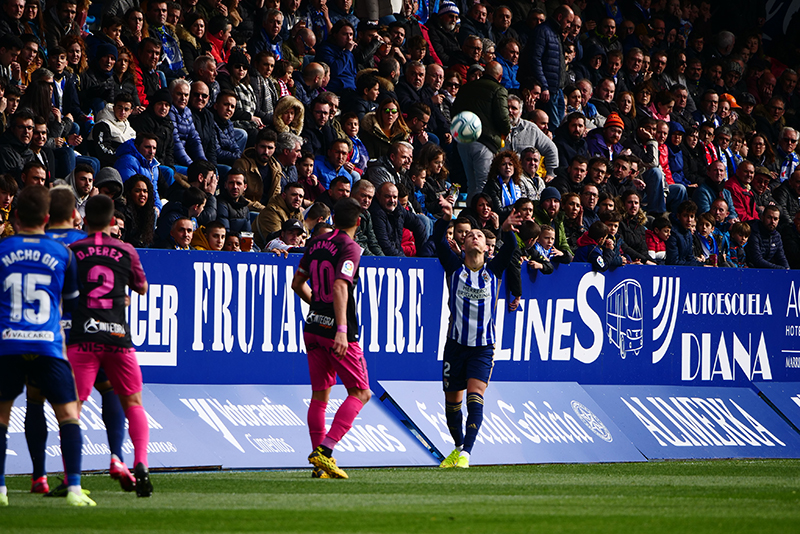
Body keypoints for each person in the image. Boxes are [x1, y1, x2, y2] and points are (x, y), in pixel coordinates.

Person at [0, 186, 95, 506]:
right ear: (46, 217)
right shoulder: (64, 254)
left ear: (15, 216)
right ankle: (74, 490)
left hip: (8, 344)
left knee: (2, 415)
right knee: (68, 415)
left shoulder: (2, 250)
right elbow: (70, 304)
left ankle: (0, 490)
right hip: (48, 345)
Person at [67, 195, 152, 497]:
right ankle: (140, 463)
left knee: (72, 409)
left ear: (84, 219)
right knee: (134, 403)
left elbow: (64, 290)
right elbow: (142, 286)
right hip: (118, 337)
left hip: (83, 337)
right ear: (114, 220)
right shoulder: (126, 250)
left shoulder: (73, 250)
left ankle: (71, 477)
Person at [434, 194, 521, 468]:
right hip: (455, 345)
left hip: (483, 348)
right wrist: (446, 217)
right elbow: (438, 241)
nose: (474, 237)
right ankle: (458, 446)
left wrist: (506, 231)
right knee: (452, 405)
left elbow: (509, 251)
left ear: (486, 247)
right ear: (463, 243)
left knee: (475, 395)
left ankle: (466, 453)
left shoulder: (493, 270)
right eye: (469, 234)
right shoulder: (453, 268)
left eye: (479, 236)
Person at [291, 197, 370, 479]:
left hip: (312, 326)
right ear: (358, 222)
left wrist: (317, 308)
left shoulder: (314, 243)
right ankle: (325, 451)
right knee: (361, 392)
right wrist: (340, 328)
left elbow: (296, 284)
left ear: (332, 219)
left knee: (320, 396)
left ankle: (318, 467)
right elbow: (339, 285)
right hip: (336, 331)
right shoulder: (351, 247)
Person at [452, 61, 511, 201]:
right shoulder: (498, 90)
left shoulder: (465, 88)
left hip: (463, 141)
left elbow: (454, 112)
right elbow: (503, 118)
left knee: (471, 183)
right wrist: (506, 130)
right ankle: (478, 219)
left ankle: (471, 216)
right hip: (485, 142)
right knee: (483, 185)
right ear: (500, 77)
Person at [254, 181, 304, 249]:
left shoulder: (298, 213)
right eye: (294, 194)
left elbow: (304, 235)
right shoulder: (271, 211)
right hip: (262, 253)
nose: (297, 199)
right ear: (284, 196)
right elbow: (276, 240)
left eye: (301, 196)